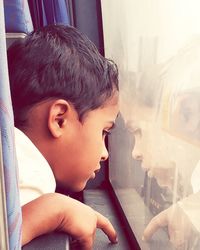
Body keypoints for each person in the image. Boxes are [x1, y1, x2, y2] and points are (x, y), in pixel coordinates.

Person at [7, 24, 119, 249]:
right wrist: (55, 210)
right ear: (59, 120)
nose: (105, 154)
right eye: (103, 132)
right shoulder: (26, 173)